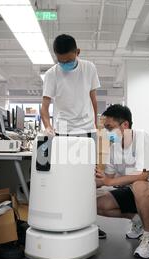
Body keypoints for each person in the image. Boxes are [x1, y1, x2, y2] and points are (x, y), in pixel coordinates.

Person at [41, 34, 107, 239]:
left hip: (87, 131)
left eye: (69, 60)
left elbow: (93, 98)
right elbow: (44, 107)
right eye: (60, 61)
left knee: (88, 182)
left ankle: (87, 222)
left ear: (78, 53)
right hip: (63, 133)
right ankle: (67, 219)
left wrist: (95, 125)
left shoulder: (89, 68)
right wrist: (48, 127)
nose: (65, 65)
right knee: (66, 181)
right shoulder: (52, 74)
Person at [95, 105, 149, 259]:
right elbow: (107, 178)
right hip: (135, 193)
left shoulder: (142, 137)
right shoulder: (114, 148)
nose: (107, 133)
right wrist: (85, 181)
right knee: (98, 204)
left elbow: (143, 175)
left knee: (139, 184)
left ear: (125, 125)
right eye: (105, 129)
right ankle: (140, 220)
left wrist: (108, 180)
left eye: (110, 128)